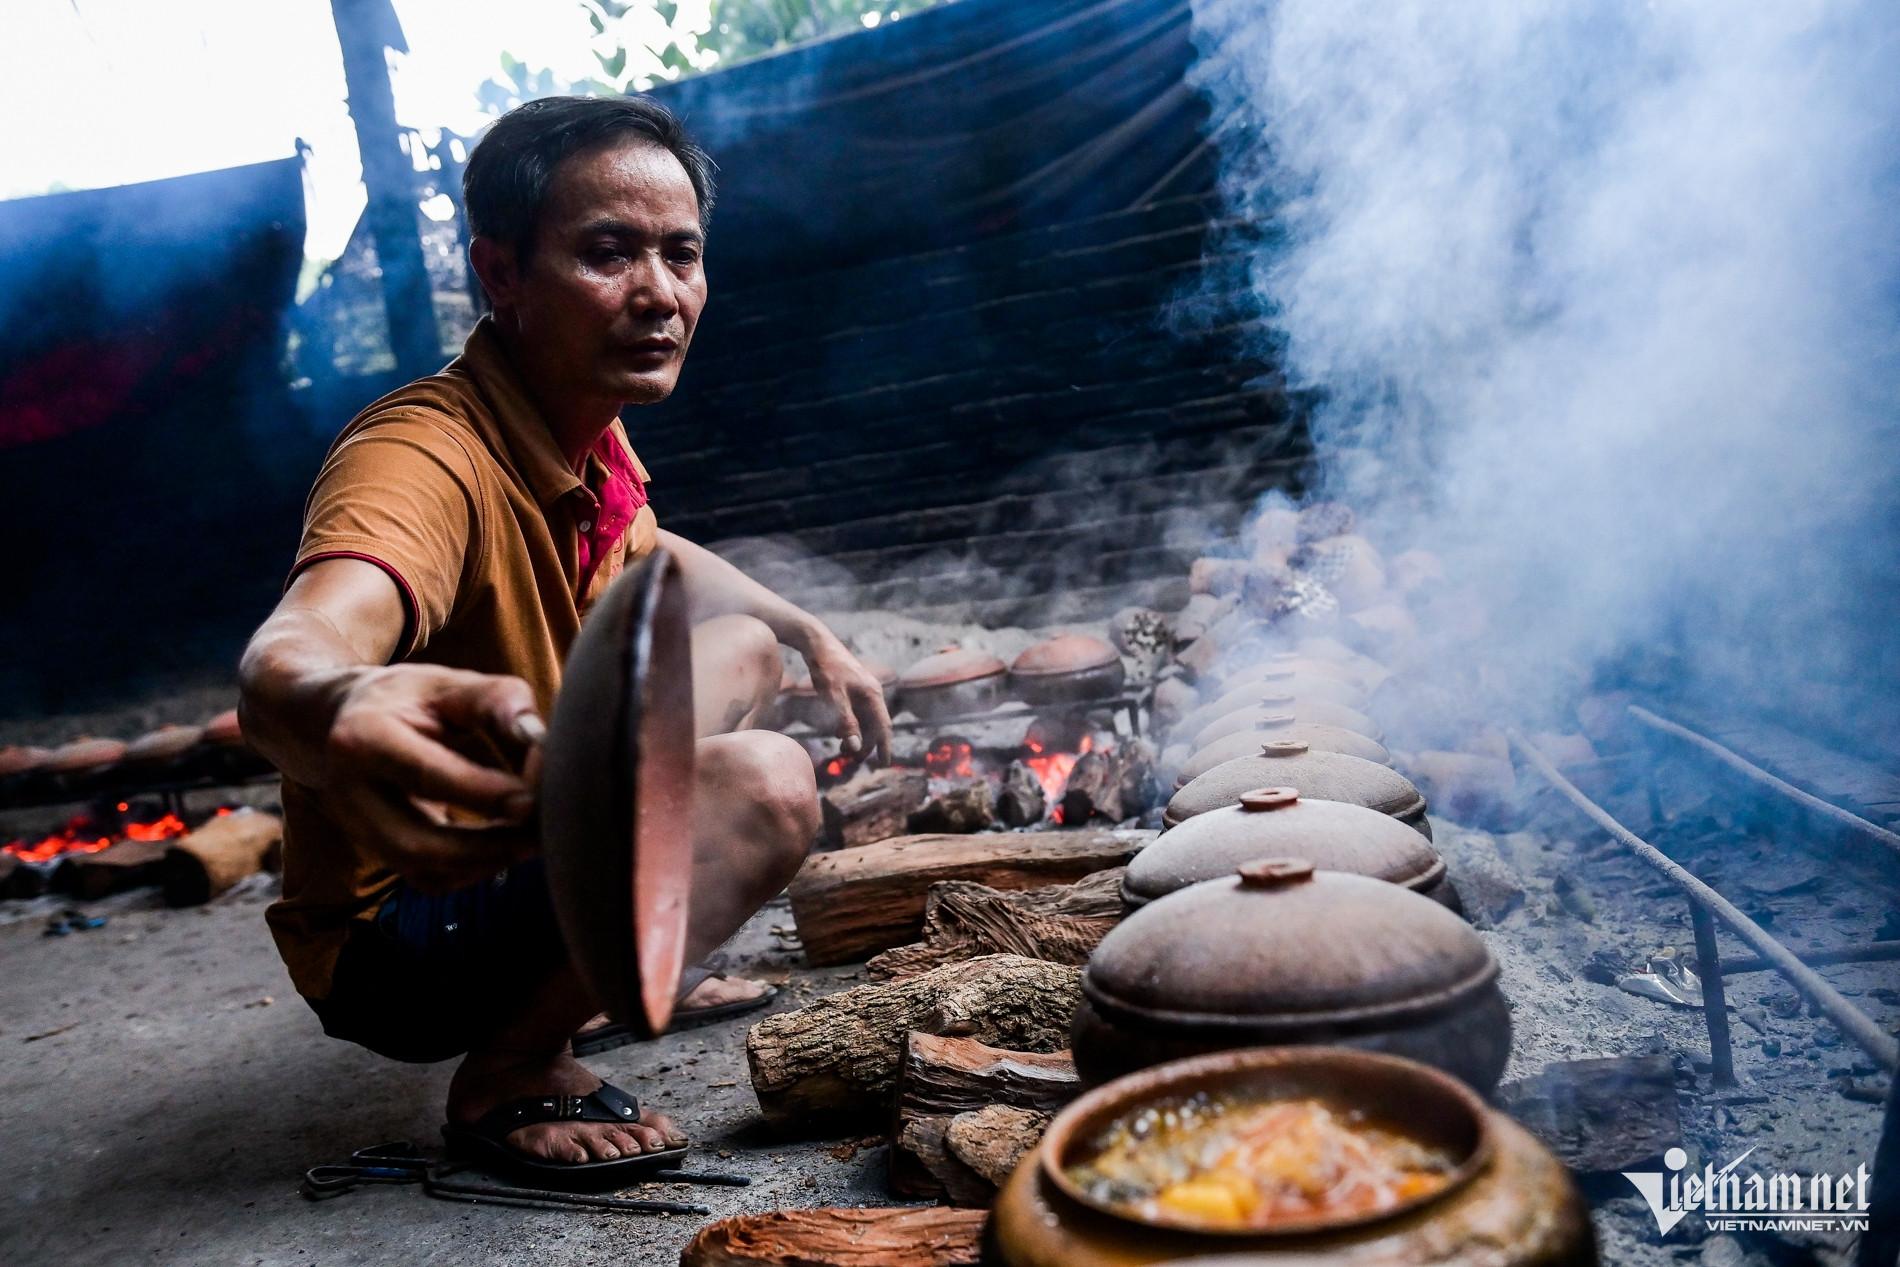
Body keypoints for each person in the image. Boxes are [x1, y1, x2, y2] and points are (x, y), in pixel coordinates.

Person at [238, 94, 891, 1179]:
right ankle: (511, 1061)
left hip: (523, 846)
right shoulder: (422, 456)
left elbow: (659, 549)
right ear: (500, 275)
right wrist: (333, 699)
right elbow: (292, 653)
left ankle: (608, 969)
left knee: (740, 650)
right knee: (768, 785)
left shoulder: (580, 418)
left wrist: (803, 624)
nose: (659, 294)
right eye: (606, 253)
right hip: (400, 934)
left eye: (681, 254)